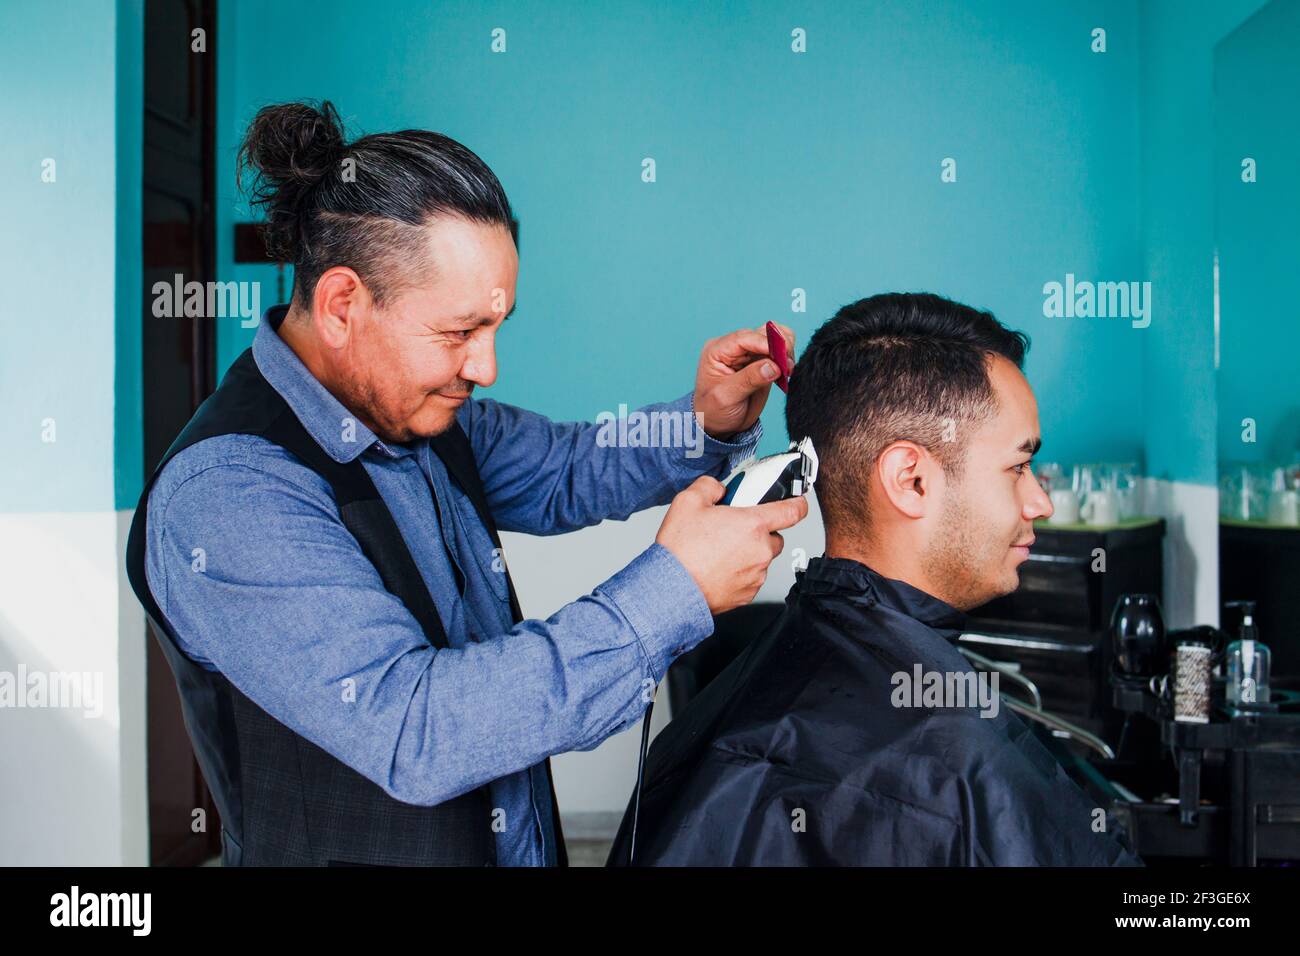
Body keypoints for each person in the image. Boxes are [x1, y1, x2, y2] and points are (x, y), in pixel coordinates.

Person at [124, 100, 808, 867]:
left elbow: (568, 468)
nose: (485, 369)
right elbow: (418, 728)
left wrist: (704, 423)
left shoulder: (423, 411)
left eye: (495, 328)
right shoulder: (229, 496)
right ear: (344, 303)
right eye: (458, 333)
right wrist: (674, 589)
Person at [607, 292, 1142, 866]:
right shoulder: (960, 765)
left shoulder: (711, 720)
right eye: (1017, 466)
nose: (1040, 501)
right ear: (911, 480)